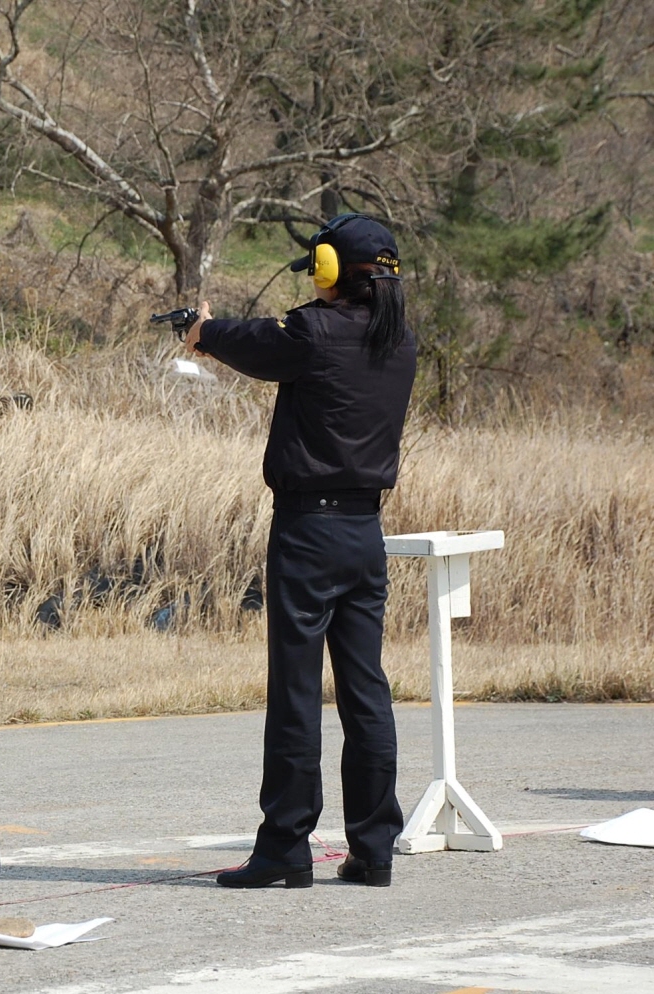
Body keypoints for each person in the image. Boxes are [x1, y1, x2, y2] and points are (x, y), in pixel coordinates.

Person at [183, 214, 416, 889]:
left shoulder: (315, 334)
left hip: (308, 532)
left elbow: (257, 343)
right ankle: (374, 847)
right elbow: (270, 342)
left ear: (330, 270)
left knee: (294, 691)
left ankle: (286, 843)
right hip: (363, 534)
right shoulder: (400, 342)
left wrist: (201, 331)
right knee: (366, 691)